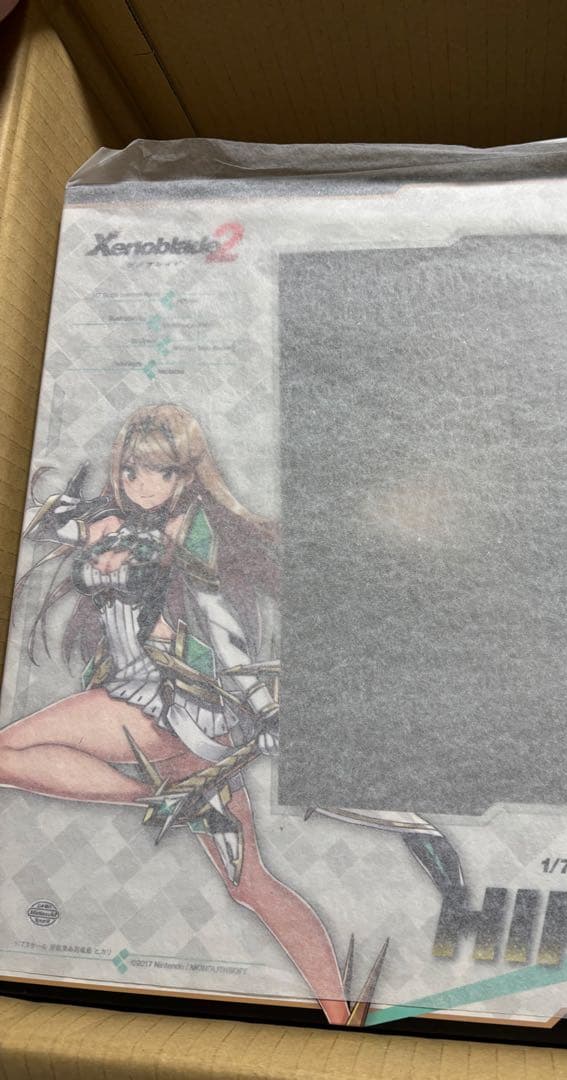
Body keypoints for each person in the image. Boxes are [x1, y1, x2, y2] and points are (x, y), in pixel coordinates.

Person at [0, 403, 383, 1025]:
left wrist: (265, 711)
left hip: (168, 704)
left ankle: (159, 795)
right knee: (250, 884)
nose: (142, 485)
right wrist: (71, 518)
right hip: (143, 697)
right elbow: (64, 526)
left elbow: (228, 638)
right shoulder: (116, 520)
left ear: (188, 473)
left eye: (160, 472)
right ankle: (342, 1018)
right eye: (131, 471)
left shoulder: (198, 539)